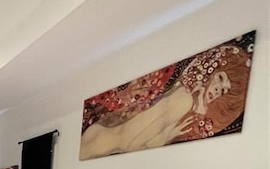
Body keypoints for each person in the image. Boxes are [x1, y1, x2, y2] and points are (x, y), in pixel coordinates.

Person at [79, 42, 252, 160]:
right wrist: (162, 139)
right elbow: (129, 144)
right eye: (220, 79)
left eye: (223, 90)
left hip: (97, 136)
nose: (217, 90)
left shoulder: (184, 95)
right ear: (212, 70)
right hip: (98, 144)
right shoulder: (184, 99)